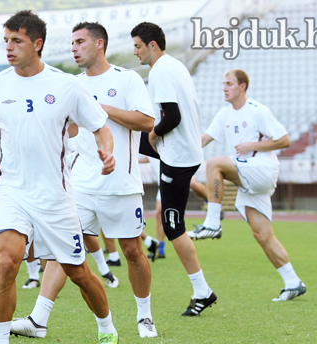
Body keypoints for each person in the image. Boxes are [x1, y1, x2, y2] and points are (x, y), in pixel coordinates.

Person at [0, 10, 119, 344]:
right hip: (11, 190)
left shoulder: (66, 86)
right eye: (5, 40)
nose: (9, 48)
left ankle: (107, 331)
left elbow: (100, 127)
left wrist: (106, 150)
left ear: (37, 43)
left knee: (78, 272)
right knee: (5, 261)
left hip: (55, 197)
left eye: (16, 40)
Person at [11, 22, 158, 340]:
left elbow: (147, 121)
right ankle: (38, 320)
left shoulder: (127, 79)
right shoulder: (68, 85)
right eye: (72, 43)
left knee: (132, 251)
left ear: (99, 44)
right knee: (60, 250)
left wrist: (99, 109)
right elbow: (66, 131)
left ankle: (144, 316)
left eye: (80, 42)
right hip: (79, 185)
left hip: (121, 183)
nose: (74, 48)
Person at [188, 69, 306, 301]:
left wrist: (253, 144)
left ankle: (212, 223)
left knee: (214, 164)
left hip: (262, 170)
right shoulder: (224, 114)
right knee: (262, 234)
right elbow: (204, 139)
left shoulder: (257, 111)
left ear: (242, 87)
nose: (224, 88)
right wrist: (180, 154)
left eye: (229, 84)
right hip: (249, 176)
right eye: (223, 83)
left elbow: (284, 139)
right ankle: (293, 282)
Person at [131, 22, 217, 316]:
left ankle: (202, 291)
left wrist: (154, 134)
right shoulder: (174, 66)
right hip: (184, 150)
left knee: (172, 225)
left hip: (178, 155)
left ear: (152, 45)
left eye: (138, 46)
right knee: (128, 136)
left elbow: (174, 117)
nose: (135, 52)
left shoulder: (161, 71)